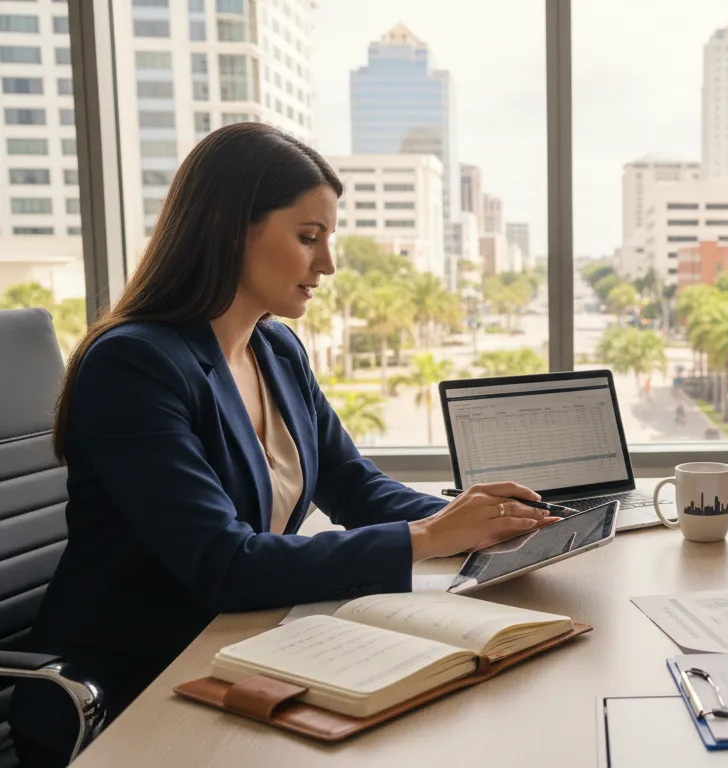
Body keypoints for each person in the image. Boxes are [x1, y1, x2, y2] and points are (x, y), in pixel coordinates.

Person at [11, 123, 555, 765]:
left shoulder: (275, 349)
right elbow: (225, 564)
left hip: (248, 645)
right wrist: (429, 539)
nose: (327, 264)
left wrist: (476, 520)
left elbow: (353, 484)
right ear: (231, 229)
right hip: (141, 680)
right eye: (308, 238)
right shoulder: (134, 365)